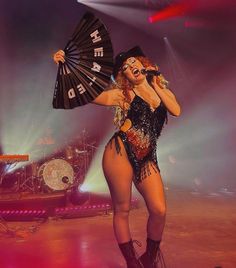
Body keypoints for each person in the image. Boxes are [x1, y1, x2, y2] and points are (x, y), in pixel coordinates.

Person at [53, 46, 181, 268]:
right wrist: (67, 68)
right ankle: (132, 263)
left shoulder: (161, 90)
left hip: (147, 156)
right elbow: (89, 95)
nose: (131, 67)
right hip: (120, 151)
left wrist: (154, 82)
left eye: (134, 63)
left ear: (144, 64)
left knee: (159, 210)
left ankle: (149, 259)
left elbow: (176, 110)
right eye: (126, 68)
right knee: (122, 209)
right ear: (124, 76)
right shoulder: (123, 95)